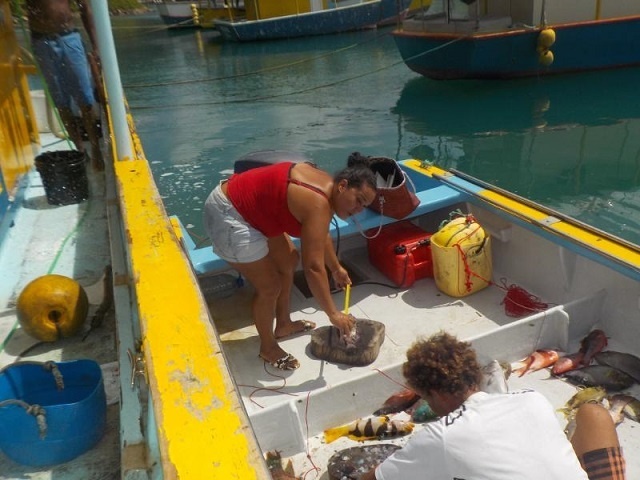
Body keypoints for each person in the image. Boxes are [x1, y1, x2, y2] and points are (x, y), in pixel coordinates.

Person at [362, 332, 625, 480]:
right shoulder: (531, 398)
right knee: (594, 414)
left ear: (432, 394)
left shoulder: (441, 436)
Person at [203, 155, 378, 370]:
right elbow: (313, 268)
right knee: (270, 286)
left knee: (288, 260)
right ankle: (267, 348)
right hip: (230, 213)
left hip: (257, 210)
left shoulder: (328, 188)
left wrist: (336, 268)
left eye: (365, 206)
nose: (359, 210)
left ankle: (283, 324)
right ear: (343, 186)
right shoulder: (317, 203)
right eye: (359, 200)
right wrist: (333, 314)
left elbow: (320, 234)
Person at [25, 0, 104, 171]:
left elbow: (85, 8)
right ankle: (80, 150)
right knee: (60, 101)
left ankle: (96, 150)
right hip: (40, 41)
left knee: (85, 98)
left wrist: (96, 46)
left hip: (69, 37)